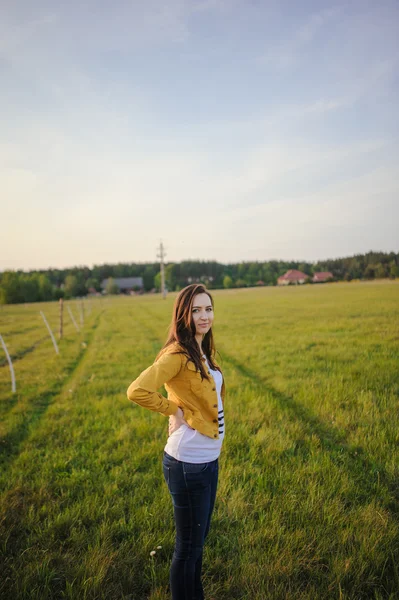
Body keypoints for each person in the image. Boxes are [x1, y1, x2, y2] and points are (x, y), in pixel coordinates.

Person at [127, 283, 225, 600]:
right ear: (183, 314)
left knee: (198, 545)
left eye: (208, 308)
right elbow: (137, 390)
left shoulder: (203, 350)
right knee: (188, 548)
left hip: (208, 460)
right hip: (188, 464)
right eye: (195, 310)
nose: (203, 316)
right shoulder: (178, 355)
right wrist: (173, 410)